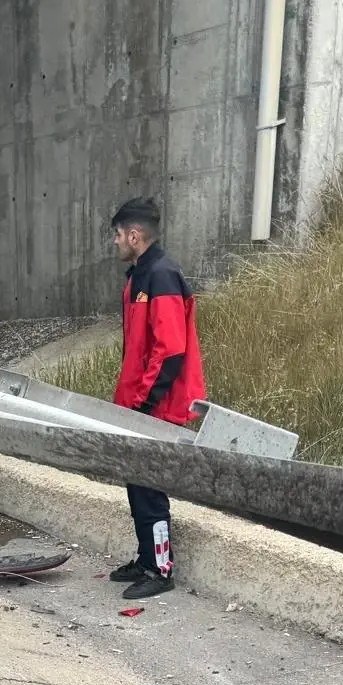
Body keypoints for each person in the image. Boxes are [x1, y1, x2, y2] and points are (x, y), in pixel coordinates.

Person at [107, 196, 205, 600]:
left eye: (116, 235)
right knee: (138, 486)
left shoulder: (161, 275)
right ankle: (147, 558)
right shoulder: (139, 276)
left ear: (134, 234)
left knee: (151, 490)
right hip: (138, 403)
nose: (114, 242)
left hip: (156, 407)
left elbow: (171, 350)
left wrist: (143, 407)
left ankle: (160, 568)